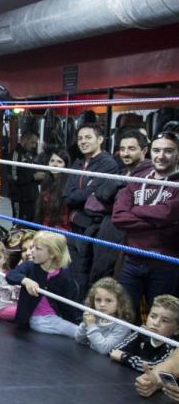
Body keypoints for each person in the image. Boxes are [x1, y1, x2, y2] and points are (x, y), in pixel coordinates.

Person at [111, 131, 179, 312]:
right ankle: (127, 342)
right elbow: (118, 216)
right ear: (150, 152)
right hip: (132, 259)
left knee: (159, 316)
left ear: (177, 153)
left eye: (168, 151)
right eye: (157, 150)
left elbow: (167, 213)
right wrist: (158, 221)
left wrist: (135, 210)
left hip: (164, 262)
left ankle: (151, 342)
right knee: (124, 313)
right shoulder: (138, 178)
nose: (161, 156)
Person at [62, 123, 119, 298]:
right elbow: (67, 195)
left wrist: (81, 194)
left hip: (92, 226)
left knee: (85, 270)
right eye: (80, 138)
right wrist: (84, 192)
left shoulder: (108, 164)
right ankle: (73, 305)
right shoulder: (79, 163)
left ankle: (83, 310)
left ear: (100, 139)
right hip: (75, 223)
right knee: (73, 267)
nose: (83, 142)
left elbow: (94, 194)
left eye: (88, 137)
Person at [86, 129, 149, 283]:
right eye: (122, 149)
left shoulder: (150, 176)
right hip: (107, 231)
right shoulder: (121, 173)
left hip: (128, 238)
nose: (126, 153)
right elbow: (96, 197)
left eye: (132, 149)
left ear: (144, 150)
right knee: (100, 276)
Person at [7, 230, 82, 337]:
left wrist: (75, 322)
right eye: (33, 247)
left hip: (55, 318)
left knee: (78, 330)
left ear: (52, 254)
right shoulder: (29, 266)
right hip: (37, 319)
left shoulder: (64, 276)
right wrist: (26, 281)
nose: (32, 251)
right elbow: (11, 275)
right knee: (76, 332)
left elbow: (68, 306)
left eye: (37, 248)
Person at [110, 294, 179, 370]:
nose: (155, 323)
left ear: (176, 330)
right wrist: (133, 361)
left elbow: (155, 368)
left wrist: (124, 357)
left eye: (164, 321)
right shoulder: (142, 331)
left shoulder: (174, 346)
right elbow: (114, 351)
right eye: (153, 316)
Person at [74, 277, 135, 355]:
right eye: (98, 300)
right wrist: (85, 323)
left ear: (119, 303)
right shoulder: (96, 317)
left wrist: (91, 325)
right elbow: (79, 339)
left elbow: (104, 350)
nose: (102, 304)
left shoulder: (122, 326)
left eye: (108, 300)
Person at [34, 148, 71, 230]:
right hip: (44, 228)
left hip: (60, 230)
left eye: (59, 162)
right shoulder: (46, 182)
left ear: (65, 165)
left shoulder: (68, 184)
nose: (55, 164)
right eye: (52, 161)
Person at [11, 131, 41, 221]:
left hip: (32, 198)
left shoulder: (30, 154)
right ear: (24, 140)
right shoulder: (16, 154)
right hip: (20, 199)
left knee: (32, 225)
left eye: (35, 143)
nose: (34, 145)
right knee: (19, 225)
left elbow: (32, 173)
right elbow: (13, 178)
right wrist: (33, 177)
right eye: (32, 142)